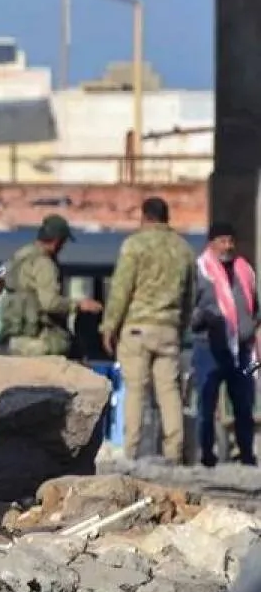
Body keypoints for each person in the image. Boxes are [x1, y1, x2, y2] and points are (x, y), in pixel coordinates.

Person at [100, 197, 196, 463]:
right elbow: (189, 296)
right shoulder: (184, 249)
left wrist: (109, 326)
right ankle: (174, 451)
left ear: (145, 216)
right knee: (169, 391)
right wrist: (181, 325)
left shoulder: (134, 245)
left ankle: (130, 450)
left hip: (137, 329)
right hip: (169, 330)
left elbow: (122, 288)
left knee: (135, 391)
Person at [192, 222, 257, 467]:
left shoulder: (245, 271)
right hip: (208, 347)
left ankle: (247, 456)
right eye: (222, 241)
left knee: (244, 403)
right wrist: (205, 317)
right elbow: (189, 311)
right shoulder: (201, 271)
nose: (227, 246)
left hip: (241, 351)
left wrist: (251, 328)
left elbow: (255, 306)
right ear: (211, 243)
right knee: (206, 405)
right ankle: (207, 455)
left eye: (230, 241)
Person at [0, 215, 102, 357]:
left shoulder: (20, 257)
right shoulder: (44, 263)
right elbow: (49, 303)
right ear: (57, 241)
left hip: (16, 339)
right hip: (39, 340)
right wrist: (79, 305)